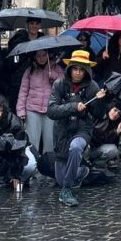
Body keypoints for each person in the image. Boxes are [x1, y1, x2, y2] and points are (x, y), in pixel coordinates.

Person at [48, 50, 102, 207]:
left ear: (86, 71)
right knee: (60, 178)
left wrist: (101, 101)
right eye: (75, 69)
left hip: (82, 128)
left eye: (81, 69)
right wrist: (73, 107)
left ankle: (66, 191)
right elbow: (51, 111)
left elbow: (98, 114)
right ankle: (82, 171)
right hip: (62, 131)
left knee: (76, 147)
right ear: (70, 68)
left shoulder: (93, 86)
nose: (78, 72)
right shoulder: (59, 84)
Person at [0, 95, 36, 189]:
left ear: (3, 107)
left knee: (29, 167)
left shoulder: (15, 122)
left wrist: (15, 175)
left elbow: (19, 149)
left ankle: (21, 178)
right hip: (3, 153)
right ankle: (3, 176)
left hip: (21, 149)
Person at [17, 49, 63, 155]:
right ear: (34, 57)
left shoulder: (56, 68)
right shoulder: (29, 70)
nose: (41, 58)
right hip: (32, 110)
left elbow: (63, 86)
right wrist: (21, 110)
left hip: (50, 109)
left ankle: (48, 162)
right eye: (38, 56)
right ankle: (32, 162)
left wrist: (54, 76)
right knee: (32, 141)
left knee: (50, 141)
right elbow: (23, 91)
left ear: (48, 55)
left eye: (44, 55)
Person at [4, 18, 45, 107]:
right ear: (27, 25)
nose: (34, 26)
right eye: (32, 23)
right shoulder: (17, 42)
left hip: (37, 82)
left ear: (40, 25)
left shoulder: (43, 41)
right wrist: (24, 56)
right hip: (19, 81)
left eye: (37, 23)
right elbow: (12, 62)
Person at [89, 99, 121, 167]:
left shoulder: (116, 124)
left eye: (119, 113)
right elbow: (97, 138)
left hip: (96, 149)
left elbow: (112, 144)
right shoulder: (99, 117)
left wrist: (117, 132)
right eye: (115, 110)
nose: (116, 114)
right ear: (110, 108)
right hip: (87, 148)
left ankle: (97, 165)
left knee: (113, 149)